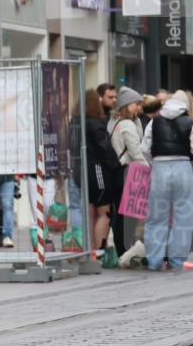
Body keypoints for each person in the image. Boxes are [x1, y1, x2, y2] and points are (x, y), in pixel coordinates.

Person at [141, 91, 193, 271]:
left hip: (160, 167)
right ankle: (176, 261)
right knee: (183, 216)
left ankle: (154, 261)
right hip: (183, 168)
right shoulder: (190, 122)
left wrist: (153, 163)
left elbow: (144, 148)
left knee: (156, 216)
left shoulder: (154, 122)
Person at [108, 86, 149, 258]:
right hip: (128, 172)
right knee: (126, 215)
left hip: (119, 172)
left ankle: (122, 248)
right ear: (127, 105)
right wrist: (148, 169)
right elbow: (135, 151)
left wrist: (137, 120)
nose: (140, 108)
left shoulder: (115, 122)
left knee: (121, 212)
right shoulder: (126, 125)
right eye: (136, 104)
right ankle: (124, 249)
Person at [78, 90, 119, 257]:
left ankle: (91, 250)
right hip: (97, 169)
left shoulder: (75, 121)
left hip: (81, 170)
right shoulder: (95, 123)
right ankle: (100, 250)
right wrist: (115, 166)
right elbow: (105, 148)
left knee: (90, 212)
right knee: (104, 212)